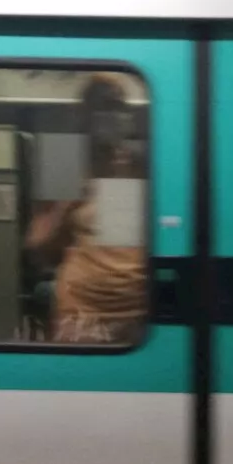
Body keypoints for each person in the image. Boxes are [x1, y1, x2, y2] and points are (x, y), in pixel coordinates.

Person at [24, 76, 148, 344]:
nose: (110, 116)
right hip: (82, 311)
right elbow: (38, 245)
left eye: (116, 106)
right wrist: (65, 206)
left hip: (138, 311)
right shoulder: (66, 161)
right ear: (85, 115)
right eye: (101, 107)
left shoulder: (140, 164)